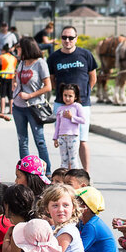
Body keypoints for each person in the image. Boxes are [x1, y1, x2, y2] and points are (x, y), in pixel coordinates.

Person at [45, 26, 99, 170]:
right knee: (64, 139)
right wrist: (63, 94)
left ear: (76, 38)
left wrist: (85, 93)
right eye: (64, 37)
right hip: (61, 104)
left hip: (82, 104)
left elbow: (92, 76)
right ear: (60, 38)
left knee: (82, 140)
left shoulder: (85, 55)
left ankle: (85, 173)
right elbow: (51, 79)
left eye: (70, 38)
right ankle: (67, 172)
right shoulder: (54, 58)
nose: (67, 40)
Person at [12, 37, 54, 172]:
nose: (17, 50)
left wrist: (29, 95)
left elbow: (48, 87)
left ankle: (46, 172)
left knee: (39, 140)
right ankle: (26, 172)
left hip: (34, 107)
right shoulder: (22, 63)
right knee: (22, 141)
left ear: (26, 48)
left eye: (19, 47)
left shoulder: (40, 63)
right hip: (18, 107)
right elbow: (18, 80)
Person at [74, 186, 120, 252]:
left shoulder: (91, 226)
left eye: (74, 204)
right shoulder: (84, 222)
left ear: (84, 208)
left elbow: (78, 249)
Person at [52, 83, 87, 171]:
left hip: (73, 136)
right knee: (64, 160)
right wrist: (55, 138)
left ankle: (76, 178)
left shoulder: (77, 106)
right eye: (65, 95)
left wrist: (71, 117)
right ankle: (64, 178)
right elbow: (58, 125)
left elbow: (83, 120)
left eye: (70, 96)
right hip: (62, 137)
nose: (67, 98)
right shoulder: (60, 108)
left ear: (75, 97)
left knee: (73, 160)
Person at [0, 45, 18, 116]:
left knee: (2, 95)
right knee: (10, 95)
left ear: (3, 50)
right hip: (11, 77)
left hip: (3, 77)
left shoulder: (2, 57)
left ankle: (2, 110)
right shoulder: (14, 58)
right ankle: (11, 110)